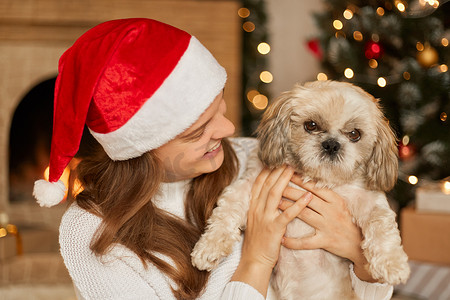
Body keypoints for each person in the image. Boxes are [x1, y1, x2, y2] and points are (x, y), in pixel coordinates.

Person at [33, 18, 393, 299]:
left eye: (220, 108)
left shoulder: (256, 158)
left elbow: (364, 287)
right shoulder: (91, 234)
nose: (228, 127)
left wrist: (357, 253)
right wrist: (257, 258)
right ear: (141, 148)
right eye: (197, 131)